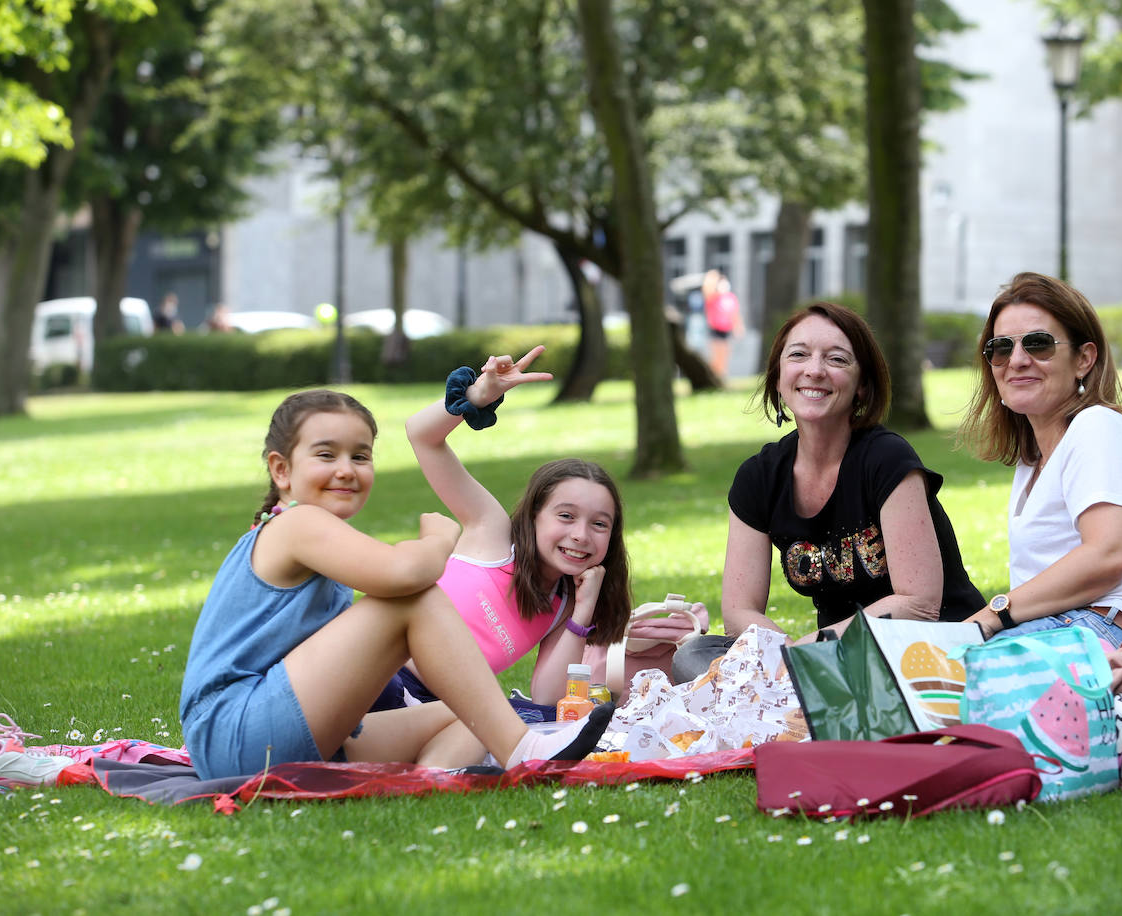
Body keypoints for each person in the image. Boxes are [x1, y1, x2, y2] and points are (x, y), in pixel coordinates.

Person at [179, 389, 613, 780]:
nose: (346, 470)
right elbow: (406, 575)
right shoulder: (298, 523)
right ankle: (524, 751)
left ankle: (430, 783)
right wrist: (440, 539)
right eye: (326, 455)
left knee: (473, 715)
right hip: (236, 734)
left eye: (360, 456)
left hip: (293, 732)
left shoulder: (314, 530)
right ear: (281, 470)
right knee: (416, 597)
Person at [673, 301, 985, 680]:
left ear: (862, 386)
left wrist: (810, 651)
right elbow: (740, 611)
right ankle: (801, 695)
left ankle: (797, 701)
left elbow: (919, 605)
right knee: (696, 655)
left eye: (836, 359)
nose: (814, 370)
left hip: (923, 645)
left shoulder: (887, 459)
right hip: (828, 656)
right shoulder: (759, 477)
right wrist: (787, 653)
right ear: (777, 377)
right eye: (798, 355)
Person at [372, 346, 632, 725]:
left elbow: (547, 699)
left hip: (440, 715)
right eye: (565, 515)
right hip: (379, 676)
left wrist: (582, 609)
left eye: (599, 524)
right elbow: (421, 436)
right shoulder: (493, 533)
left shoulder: (562, 605)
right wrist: (475, 397)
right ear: (534, 516)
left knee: (512, 723)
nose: (580, 535)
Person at [956, 271, 1122, 647]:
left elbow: (1107, 554)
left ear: (1084, 359)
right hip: (1070, 627)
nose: (1018, 360)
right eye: (1001, 348)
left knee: (949, 669)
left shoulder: (1098, 428)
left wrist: (993, 615)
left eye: (1038, 344)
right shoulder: (1035, 458)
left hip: (1109, 631)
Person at [704, 274, 743, 378]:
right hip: (715, 330)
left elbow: (735, 314)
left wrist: (738, 327)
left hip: (726, 330)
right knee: (717, 355)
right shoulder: (713, 298)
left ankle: (722, 375)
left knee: (725, 355)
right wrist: (713, 277)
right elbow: (707, 289)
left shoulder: (731, 298)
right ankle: (714, 375)